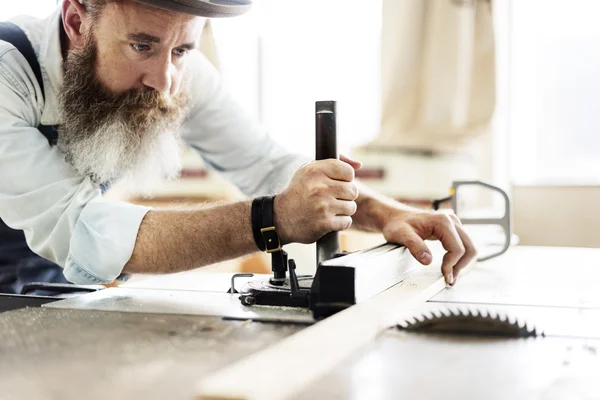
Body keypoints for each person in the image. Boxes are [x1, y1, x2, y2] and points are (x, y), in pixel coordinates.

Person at [0, 0, 476, 294]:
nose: (165, 80)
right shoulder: (8, 73)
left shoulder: (178, 74)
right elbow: (81, 228)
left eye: (182, 50)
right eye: (141, 46)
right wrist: (273, 219)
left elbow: (267, 164)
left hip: (48, 289)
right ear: (77, 21)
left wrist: (387, 214)